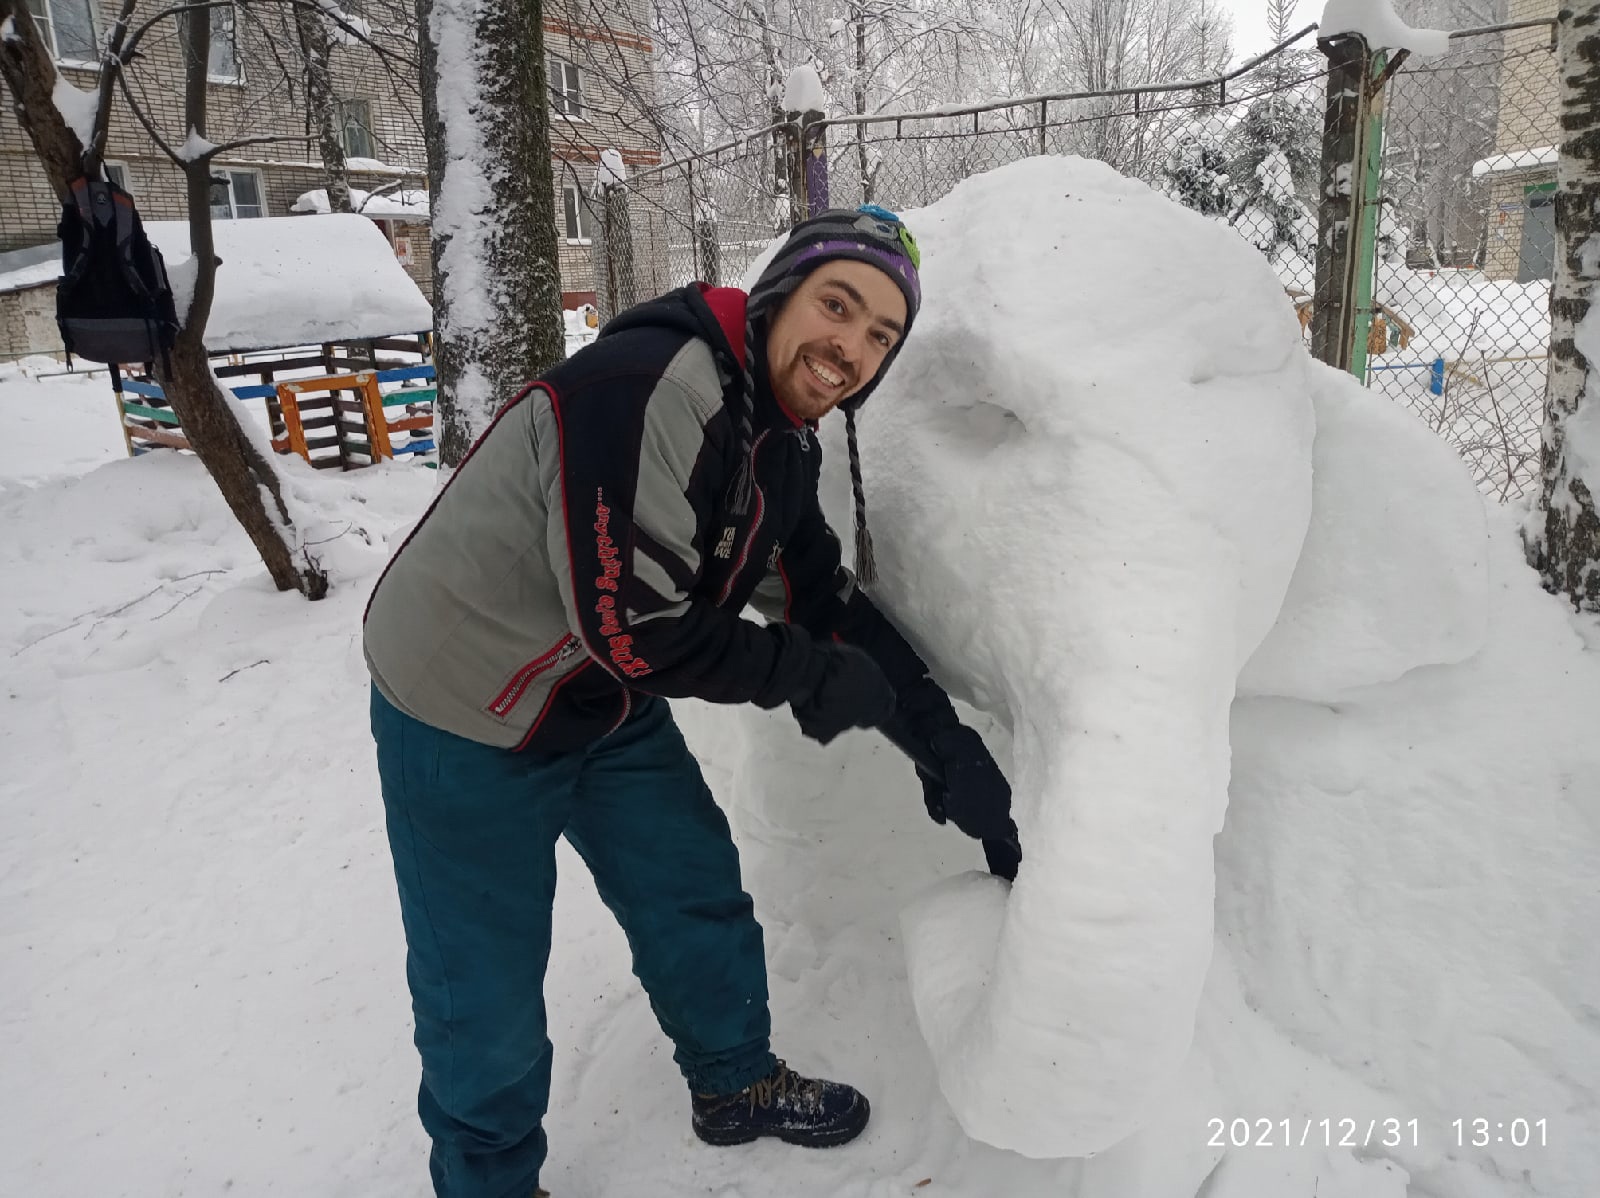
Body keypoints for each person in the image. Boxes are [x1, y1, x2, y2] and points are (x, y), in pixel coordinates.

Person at [364, 205, 1019, 1198]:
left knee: (690, 885)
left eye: (882, 334)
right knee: (482, 989)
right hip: (466, 703)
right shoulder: (654, 389)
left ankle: (733, 1083)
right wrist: (802, 674)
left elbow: (821, 603)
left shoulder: (775, 437)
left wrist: (943, 747)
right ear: (780, 294)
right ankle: (489, 1182)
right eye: (837, 304)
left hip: (599, 694)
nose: (852, 345)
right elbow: (636, 630)